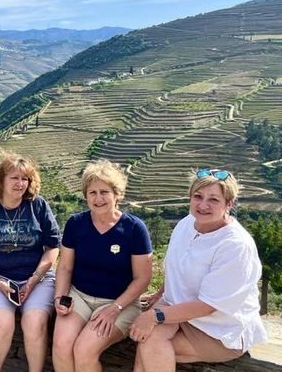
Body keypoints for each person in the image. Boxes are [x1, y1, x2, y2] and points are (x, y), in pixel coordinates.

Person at [130, 168, 267, 372]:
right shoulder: (186, 224)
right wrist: (161, 293)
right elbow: (179, 268)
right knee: (144, 338)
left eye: (213, 199)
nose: (203, 205)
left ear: (229, 203)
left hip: (218, 328)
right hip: (180, 310)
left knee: (149, 345)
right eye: (198, 196)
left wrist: (154, 315)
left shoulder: (235, 245)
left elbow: (209, 306)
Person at [52, 159, 153, 372]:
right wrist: (60, 297)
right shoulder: (76, 224)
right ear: (86, 196)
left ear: (117, 194)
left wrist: (114, 309)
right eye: (92, 193)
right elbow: (65, 267)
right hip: (79, 296)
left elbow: (142, 278)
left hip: (120, 303)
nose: (98, 199)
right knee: (61, 346)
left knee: (84, 350)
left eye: (104, 192)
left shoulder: (134, 229)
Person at [0, 152, 60, 372]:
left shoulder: (38, 206)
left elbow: (52, 248)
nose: (20, 184)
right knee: (3, 323)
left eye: (25, 178)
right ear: (0, 180)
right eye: (14, 178)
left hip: (37, 278)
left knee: (35, 322)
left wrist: (35, 278)